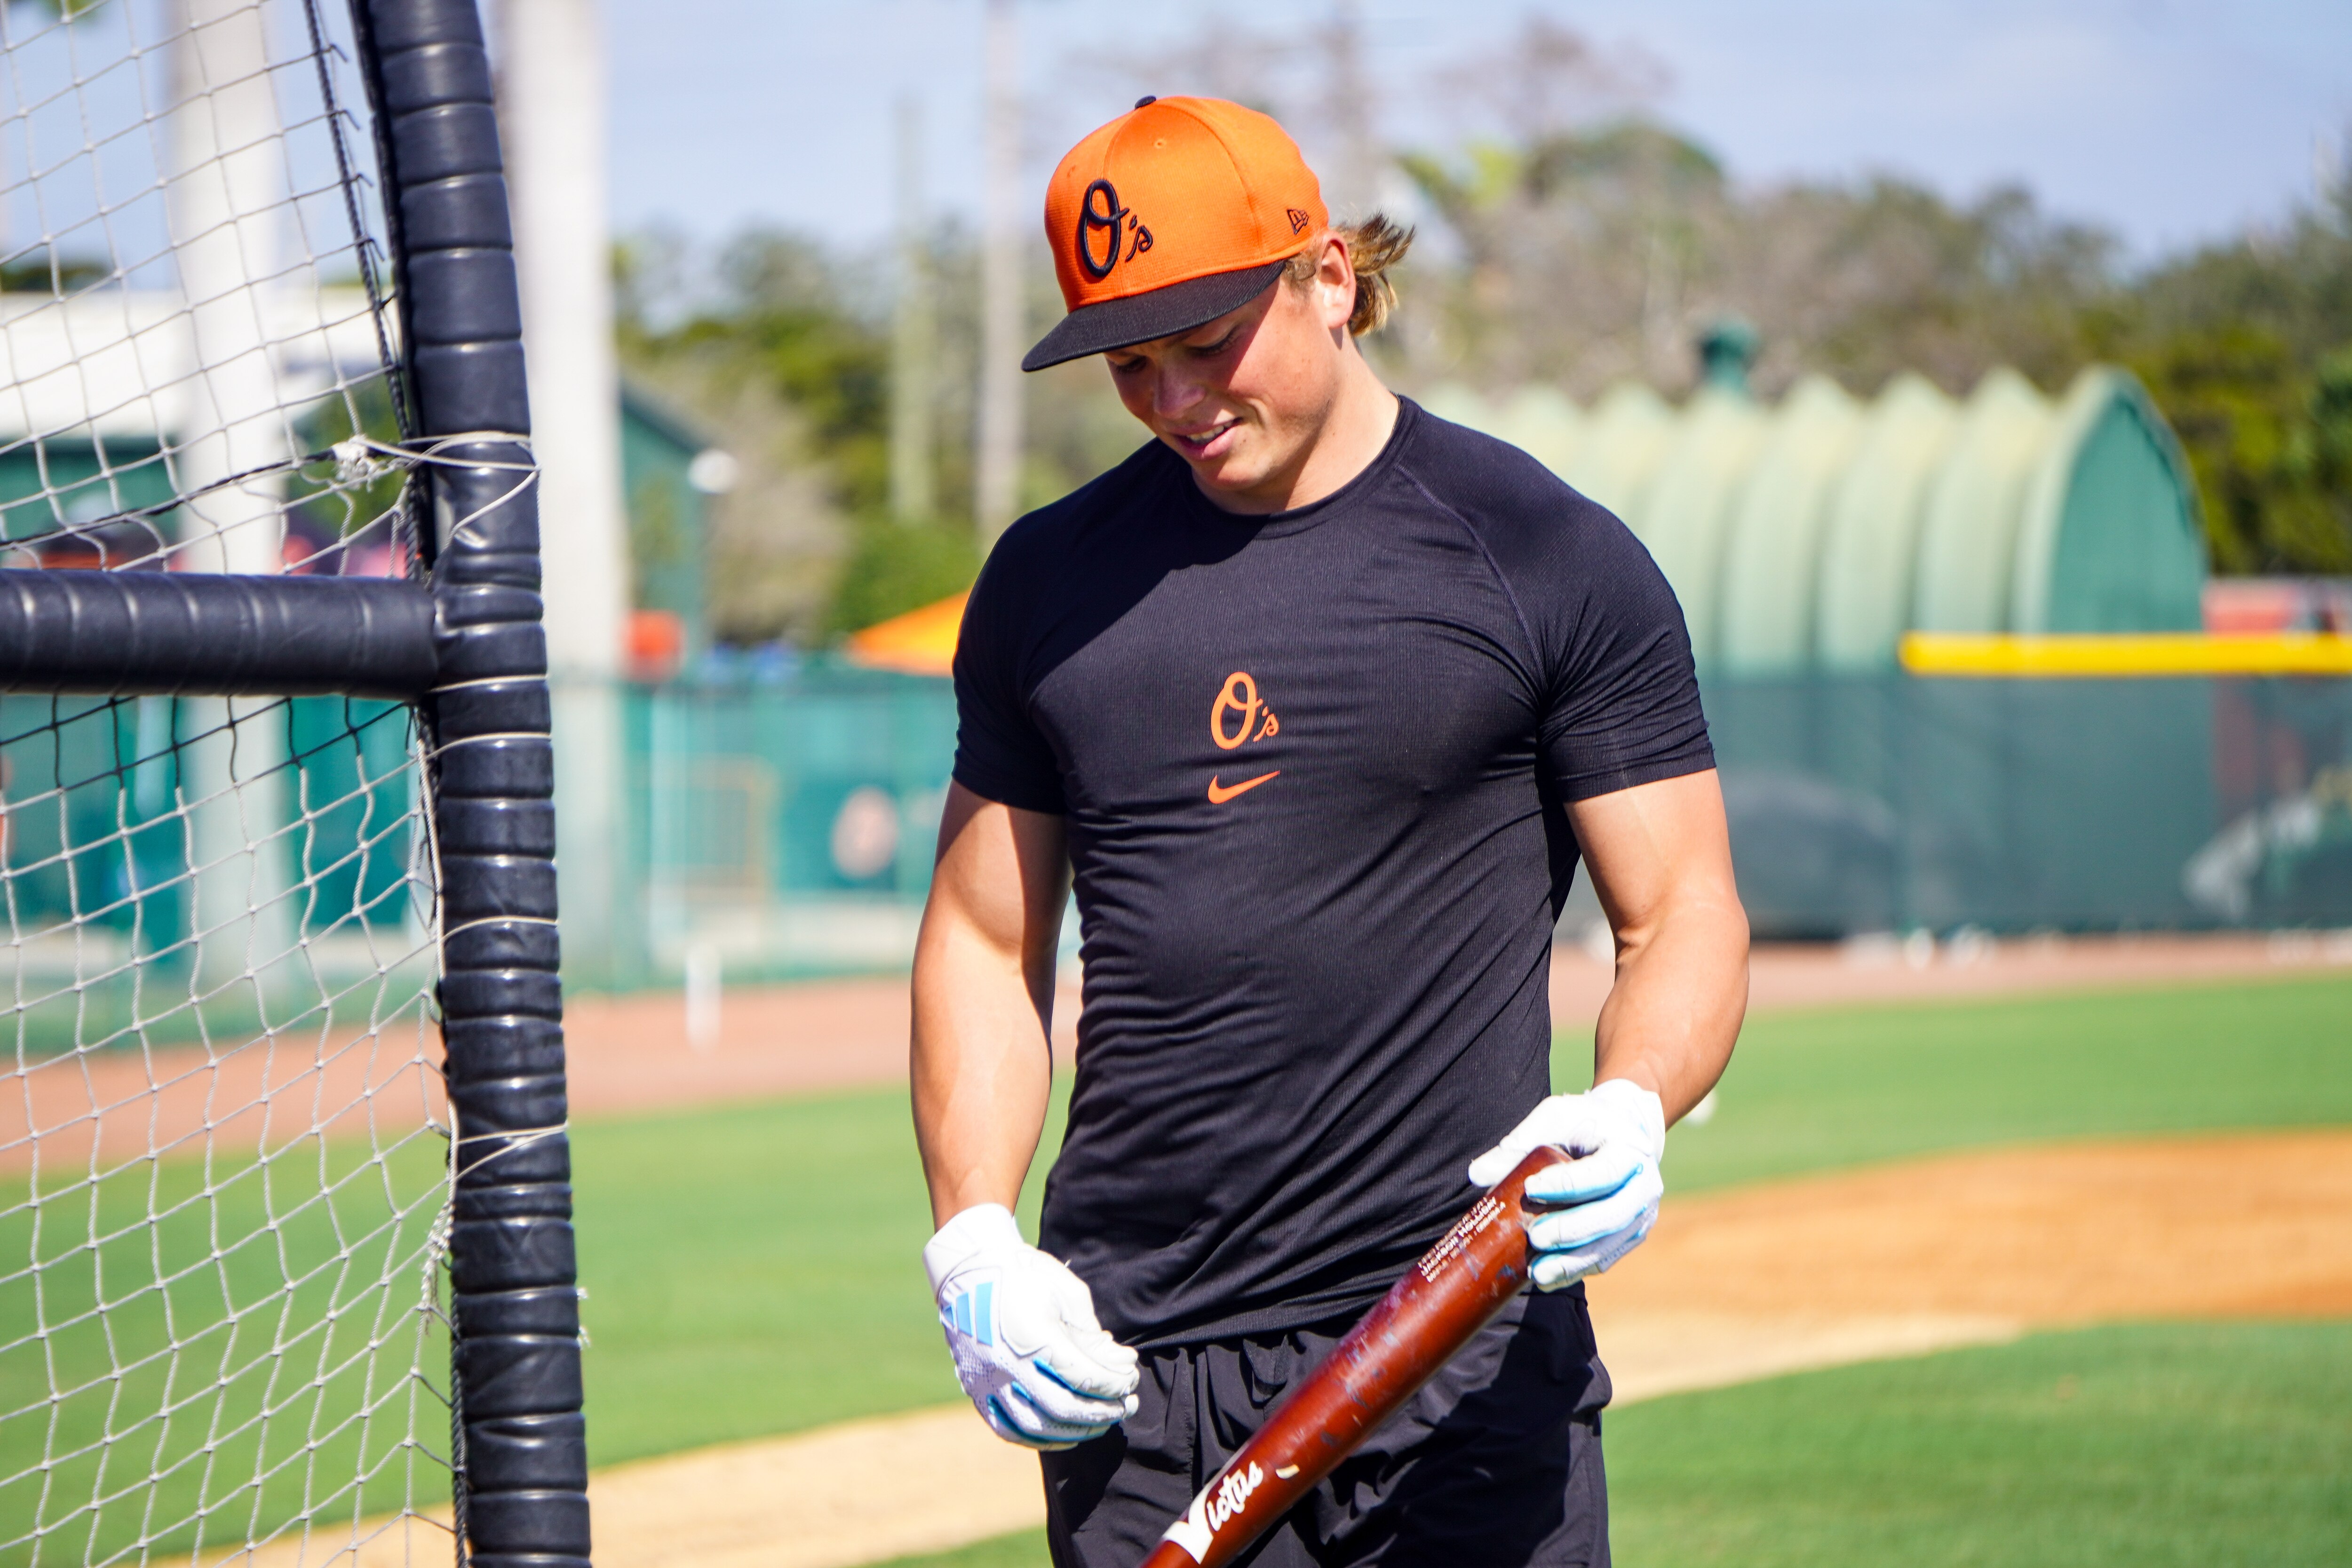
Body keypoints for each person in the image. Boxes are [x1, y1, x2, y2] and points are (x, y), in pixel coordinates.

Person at [911, 96, 1748, 1568]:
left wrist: (1631, 1105)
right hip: (1136, 1384)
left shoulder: (1547, 554)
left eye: (1206, 340)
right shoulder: (1046, 585)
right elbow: (987, 942)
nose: (1175, 399)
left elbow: (1679, 912)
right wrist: (975, 1237)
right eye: (1132, 363)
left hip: (1458, 1348)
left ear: (1331, 277)